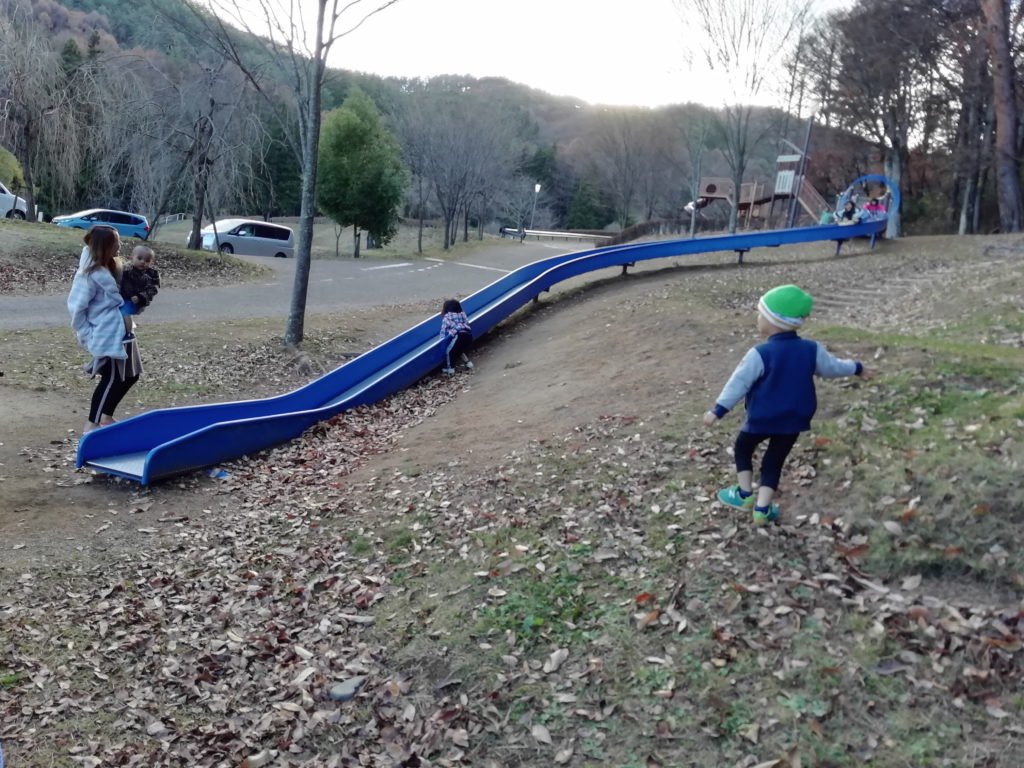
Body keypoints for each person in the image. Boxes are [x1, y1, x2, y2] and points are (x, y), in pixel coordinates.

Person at [702, 285, 875, 524]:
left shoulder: (760, 353)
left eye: (761, 314)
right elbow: (833, 368)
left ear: (774, 321)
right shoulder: (811, 349)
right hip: (794, 421)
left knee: (743, 448)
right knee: (774, 460)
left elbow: (738, 383)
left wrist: (718, 410)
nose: (758, 318)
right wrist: (857, 367)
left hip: (761, 418)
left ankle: (744, 495)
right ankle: (762, 509)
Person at [67, 225, 144, 434]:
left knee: (131, 375)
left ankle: (106, 417)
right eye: (116, 242)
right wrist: (87, 336)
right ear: (105, 246)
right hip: (106, 334)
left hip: (123, 330)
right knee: (111, 377)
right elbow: (76, 309)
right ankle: (91, 425)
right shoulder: (88, 275)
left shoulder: (111, 267)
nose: (120, 245)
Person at [119, 244, 160, 334]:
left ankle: (128, 333)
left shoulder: (150, 275)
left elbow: (152, 290)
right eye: (139, 258)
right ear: (131, 258)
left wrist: (140, 297)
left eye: (147, 261)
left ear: (151, 263)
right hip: (123, 298)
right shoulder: (126, 271)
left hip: (136, 301)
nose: (142, 262)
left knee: (124, 312)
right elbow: (124, 284)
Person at [439, 298, 474, 374]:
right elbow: (467, 323)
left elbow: (443, 330)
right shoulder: (462, 314)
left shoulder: (446, 317)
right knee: (458, 350)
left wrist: (442, 340)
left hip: (459, 336)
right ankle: (469, 364)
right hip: (468, 335)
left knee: (449, 351)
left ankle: (450, 369)